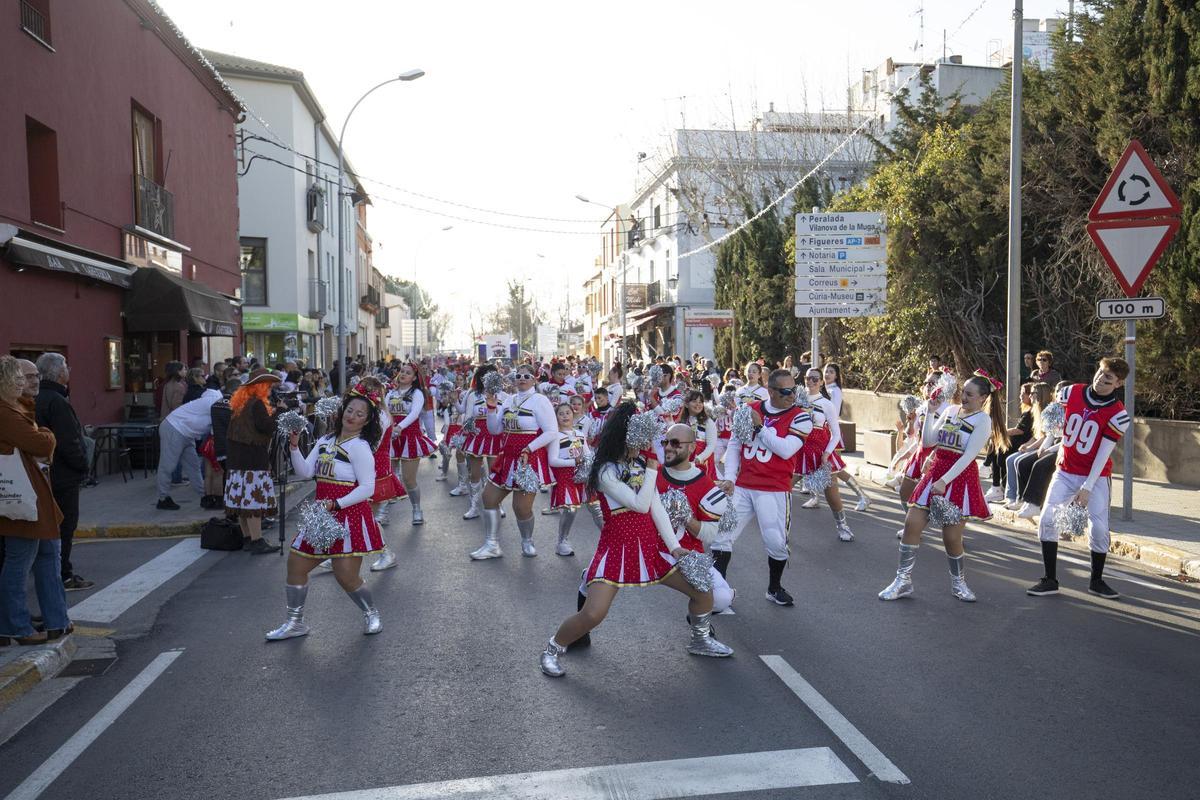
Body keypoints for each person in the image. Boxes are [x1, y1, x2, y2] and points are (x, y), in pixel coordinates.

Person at [538, 404, 733, 677]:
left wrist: (675, 547)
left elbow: (656, 508)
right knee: (593, 614)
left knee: (703, 592)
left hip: (651, 548)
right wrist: (653, 468)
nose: (650, 441)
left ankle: (700, 639)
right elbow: (640, 505)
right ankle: (552, 649)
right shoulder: (606, 470)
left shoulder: (641, 464)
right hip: (617, 549)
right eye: (643, 435)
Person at [879, 371, 1008, 602]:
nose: (965, 398)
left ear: (983, 398)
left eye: (970, 394)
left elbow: (969, 456)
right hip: (936, 472)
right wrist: (929, 411)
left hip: (958, 478)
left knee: (951, 538)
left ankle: (959, 584)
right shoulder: (949, 411)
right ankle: (902, 581)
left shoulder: (983, 421)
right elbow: (928, 441)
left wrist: (944, 481)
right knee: (911, 524)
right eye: (964, 393)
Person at [267, 391, 385, 640]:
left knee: (346, 576)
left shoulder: (360, 447)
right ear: (342, 412)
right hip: (322, 513)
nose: (352, 416)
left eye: (360, 414)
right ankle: (294, 623)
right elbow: (305, 471)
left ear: (367, 421)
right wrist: (294, 446)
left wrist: (336, 503)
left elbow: (367, 488)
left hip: (349, 515)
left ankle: (371, 613)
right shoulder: (325, 440)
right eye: (350, 410)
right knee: (296, 565)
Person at [1027, 359, 1131, 600]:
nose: (1100, 380)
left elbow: (1104, 452)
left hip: (1095, 476)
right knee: (1047, 519)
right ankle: (1050, 579)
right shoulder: (1071, 391)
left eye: (1108, 379)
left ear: (1118, 384)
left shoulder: (1118, 413)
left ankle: (1096, 580)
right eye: (1100, 373)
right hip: (1065, 470)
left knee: (1099, 528)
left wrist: (1087, 486)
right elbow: (1054, 420)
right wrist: (1052, 443)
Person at [711, 368, 812, 607]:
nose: (791, 395)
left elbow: (786, 449)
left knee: (776, 542)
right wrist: (731, 479)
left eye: (794, 389)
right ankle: (717, 591)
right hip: (743, 486)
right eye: (785, 391)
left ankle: (774, 587)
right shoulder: (750, 410)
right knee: (722, 536)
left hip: (774, 488)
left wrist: (760, 428)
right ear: (771, 390)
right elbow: (734, 445)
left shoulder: (800, 416)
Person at [0, 355, 71, 646]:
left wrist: (41, 438)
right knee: (19, 563)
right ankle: (15, 626)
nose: (25, 383)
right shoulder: (6, 412)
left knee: (48, 556)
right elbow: (40, 444)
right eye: (18, 379)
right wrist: (47, 435)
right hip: (22, 499)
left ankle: (57, 621)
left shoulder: (16, 409)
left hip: (34, 496)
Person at [469, 364, 557, 560]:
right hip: (506, 459)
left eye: (527, 375)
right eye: (518, 375)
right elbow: (494, 430)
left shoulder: (540, 401)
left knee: (521, 508)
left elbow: (552, 431)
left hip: (529, 460)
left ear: (534, 379)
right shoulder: (508, 401)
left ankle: (527, 541)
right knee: (489, 498)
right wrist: (492, 408)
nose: (522, 378)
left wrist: (529, 448)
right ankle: (492, 545)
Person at [658, 423, 735, 613]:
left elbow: (709, 536)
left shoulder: (704, 483)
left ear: (692, 447)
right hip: (650, 550)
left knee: (722, 598)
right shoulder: (653, 472)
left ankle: (700, 628)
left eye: (675, 443)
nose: (668, 447)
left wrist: (686, 517)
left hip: (686, 554)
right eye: (665, 442)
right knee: (592, 578)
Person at [33, 353, 94, 590]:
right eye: (67, 366)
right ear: (59, 373)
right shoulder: (57, 402)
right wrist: (83, 466)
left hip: (44, 473)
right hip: (63, 475)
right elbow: (69, 442)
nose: (69, 370)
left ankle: (50, 570)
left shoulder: (36, 398)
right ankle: (62, 574)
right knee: (65, 526)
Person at [224, 369, 282, 555]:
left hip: (237, 459)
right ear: (260, 386)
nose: (270, 389)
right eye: (268, 386)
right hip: (252, 460)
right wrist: (279, 411)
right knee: (253, 503)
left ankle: (248, 537)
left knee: (242, 502)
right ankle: (257, 541)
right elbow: (266, 427)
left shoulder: (241, 402)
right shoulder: (256, 404)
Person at [795, 368, 855, 542]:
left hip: (819, 451)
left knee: (832, 496)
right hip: (798, 451)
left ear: (821, 382)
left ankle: (843, 527)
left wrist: (827, 454)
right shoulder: (797, 400)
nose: (811, 381)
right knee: (782, 489)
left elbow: (836, 434)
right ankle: (781, 529)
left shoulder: (826, 404)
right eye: (808, 378)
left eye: (815, 379)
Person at [156, 379, 222, 510]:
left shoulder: (214, 399)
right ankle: (162, 499)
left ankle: (204, 496)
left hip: (184, 431)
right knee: (167, 466)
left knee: (193, 466)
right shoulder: (216, 402)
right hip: (175, 428)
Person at [386, 363, 437, 525]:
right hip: (392, 437)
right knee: (388, 476)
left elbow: (415, 413)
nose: (403, 374)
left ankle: (416, 509)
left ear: (414, 378)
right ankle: (382, 510)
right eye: (402, 371)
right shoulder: (390, 393)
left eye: (407, 373)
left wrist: (400, 427)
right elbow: (384, 412)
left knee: (408, 479)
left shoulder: (417, 393)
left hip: (409, 437)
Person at [822, 362, 871, 512]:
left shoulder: (835, 391)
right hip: (817, 432)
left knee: (835, 468)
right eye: (826, 371)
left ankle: (862, 495)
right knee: (817, 466)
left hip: (829, 432)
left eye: (831, 372)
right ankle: (817, 496)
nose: (827, 374)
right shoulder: (821, 389)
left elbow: (834, 413)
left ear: (836, 376)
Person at [460, 364, 504, 521]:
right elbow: (468, 415)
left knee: (494, 472)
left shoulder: (502, 395)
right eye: (486, 377)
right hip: (476, 435)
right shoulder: (474, 395)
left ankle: (497, 503)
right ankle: (474, 506)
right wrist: (467, 430)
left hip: (495, 436)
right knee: (475, 473)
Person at [545, 402, 588, 556]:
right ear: (556, 417)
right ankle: (562, 541)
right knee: (570, 509)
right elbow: (552, 461)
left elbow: (588, 454)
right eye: (561, 413)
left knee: (595, 510)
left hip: (582, 476)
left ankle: (610, 541)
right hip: (564, 476)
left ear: (573, 414)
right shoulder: (555, 436)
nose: (565, 416)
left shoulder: (580, 434)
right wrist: (574, 462)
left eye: (567, 412)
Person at [984, 382, 1036, 502]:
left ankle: (989, 471)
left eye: (1024, 394)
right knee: (997, 443)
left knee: (998, 444)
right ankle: (995, 485)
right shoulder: (1027, 410)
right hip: (1020, 441)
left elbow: (1019, 430)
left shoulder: (1030, 412)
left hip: (1023, 442)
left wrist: (1001, 432)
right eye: (1020, 393)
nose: (1020, 396)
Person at [679, 390, 718, 479]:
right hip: (684, 461)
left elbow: (711, 445)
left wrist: (699, 458)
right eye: (694, 401)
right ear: (686, 404)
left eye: (700, 402)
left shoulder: (708, 422)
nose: (698, 404)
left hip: (702, 462)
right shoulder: (683, 421)